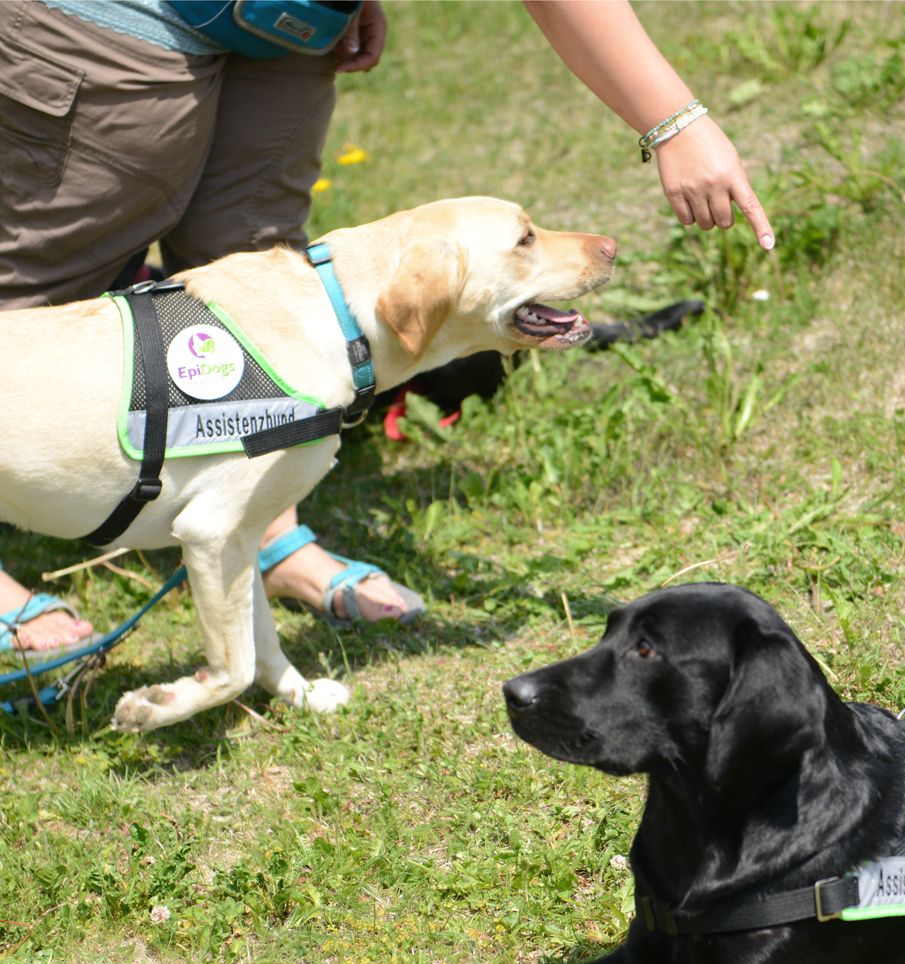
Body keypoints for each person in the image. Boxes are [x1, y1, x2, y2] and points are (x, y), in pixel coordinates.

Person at [0, 0, 772, 655]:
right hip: (115, 22)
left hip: (286, 25)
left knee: (255, 271)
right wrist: (674, 122)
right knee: (34, 287)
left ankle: (260, 529)